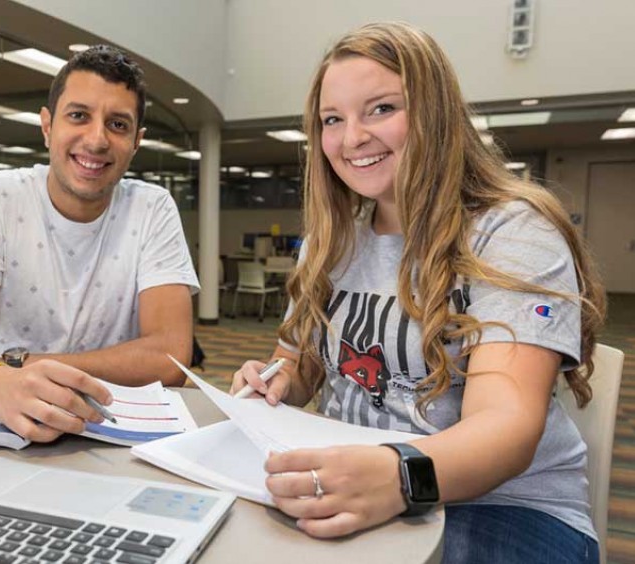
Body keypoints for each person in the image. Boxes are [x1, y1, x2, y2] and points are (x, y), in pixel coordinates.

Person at [232, 22, 605, 564]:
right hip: (358, 481)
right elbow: (301, 364)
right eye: (332, 120)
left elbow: (506, 426)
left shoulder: (512, 231)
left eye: (381, 108)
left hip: (503, 505)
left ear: (433, 112)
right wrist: (280, 379)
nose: (352, 137)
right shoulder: (329, 240)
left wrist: (399, 474)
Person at [0, 45, 198, 443]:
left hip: (107, 422)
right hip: (4, 415)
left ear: (136, 142)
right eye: (79, 116)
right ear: (47, 125)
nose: (97, 139)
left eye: (118, 125)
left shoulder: (151, 208)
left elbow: (170, 355)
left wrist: (31, 366)